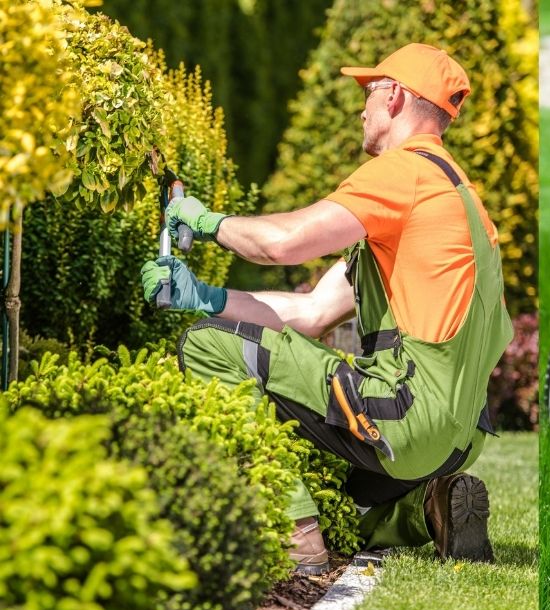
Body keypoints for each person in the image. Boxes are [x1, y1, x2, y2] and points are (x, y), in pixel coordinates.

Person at [140, 43, 514, 575]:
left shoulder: (403, 173)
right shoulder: (459, 198)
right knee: (336, 490)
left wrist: (206, 222)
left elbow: (281, 244)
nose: (361, 107)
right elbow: (313, 312)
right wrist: (204, 297)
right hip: (456, 439)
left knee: (205, 345)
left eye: (369, 92)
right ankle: (425, 511)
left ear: (396, 97)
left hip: (405, 417)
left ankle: (291, 532)